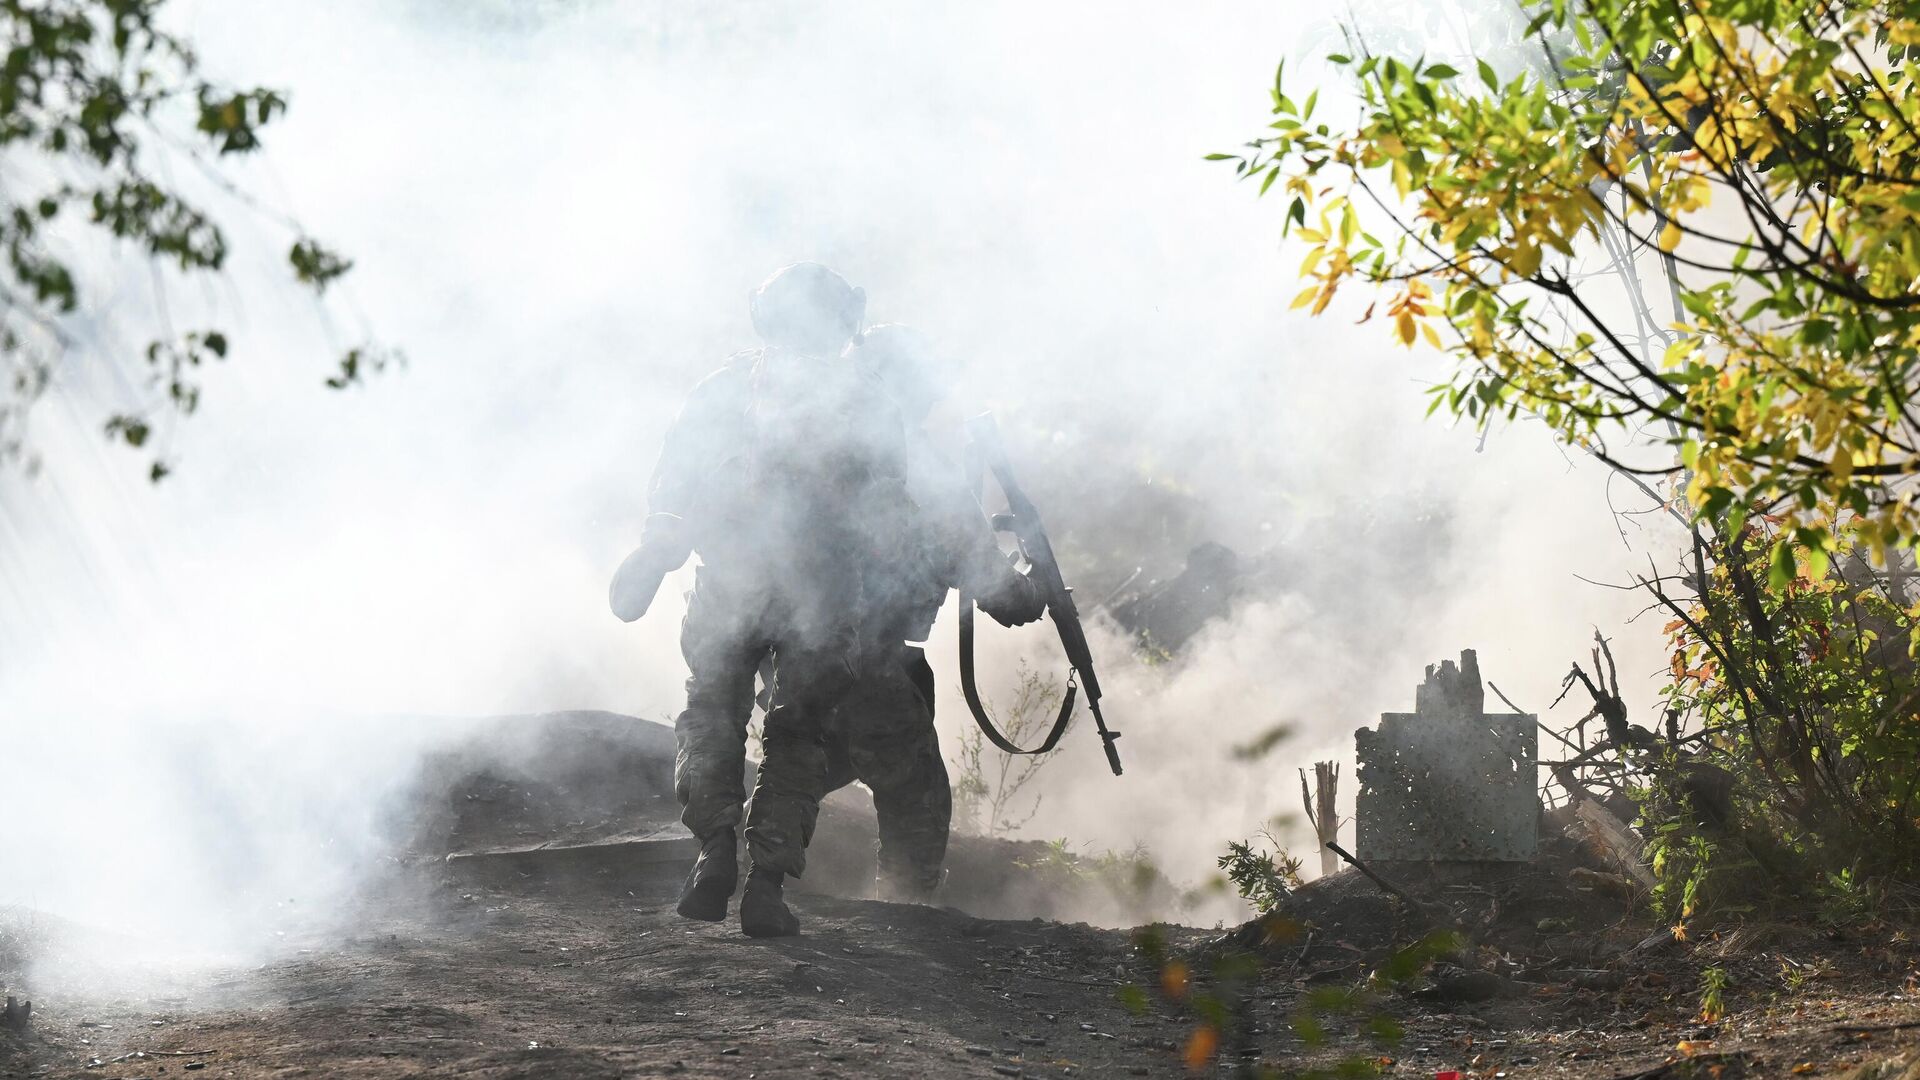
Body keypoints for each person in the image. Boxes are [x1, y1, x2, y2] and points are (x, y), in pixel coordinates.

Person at [611, 262, 881, 935]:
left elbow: (674, 479)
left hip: (732, 579)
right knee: (800, 732)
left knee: (712, 714)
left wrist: (661, 542)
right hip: (821, 591)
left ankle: (714, 853)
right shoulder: (864, 403)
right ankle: (766, 884)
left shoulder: (724, 389)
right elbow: (890, 511)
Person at [809, 324, 1045, 902]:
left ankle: (740, 865)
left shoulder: (809, 444)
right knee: (916, 789)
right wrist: (1034, 587)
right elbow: (999, 594)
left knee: (813, 761)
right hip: (866, 656)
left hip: (796, 648)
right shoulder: (919, 466)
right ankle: (904, 913)